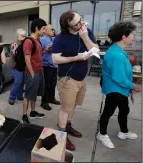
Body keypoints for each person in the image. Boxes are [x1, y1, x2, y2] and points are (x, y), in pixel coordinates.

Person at [51, 10, 99, 151]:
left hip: (81, 79)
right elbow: (55, 59)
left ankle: (68, 126)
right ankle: (61, 135)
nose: (82, 23)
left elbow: (95, 49)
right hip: (67, 79)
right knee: (66, 109)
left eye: (81, 19)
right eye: (77, 23)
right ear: (68, 26)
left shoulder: (86, 31)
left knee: (73, 106)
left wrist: (84, 37)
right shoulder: (60, 38)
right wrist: (77, 57)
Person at [98, 21, 141, 149]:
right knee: (108, 112)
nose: (133, 36)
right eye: (131, 34)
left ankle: (123, 132)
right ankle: (102, 134)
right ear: (123, 37)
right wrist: (133, 86)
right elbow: (119, 78)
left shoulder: (118, 50)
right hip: (114, 89)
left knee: (124, 109)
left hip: (121, 89)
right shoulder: (116, 54)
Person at [22, 18, 46, 123]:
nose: (44, 31)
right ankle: (24, 116)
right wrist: (32, 73)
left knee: (34, 93)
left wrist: (46, 51)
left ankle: (32, 112)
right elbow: (27, 59)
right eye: (43, 29)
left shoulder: (38, 41)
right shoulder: (28, 41)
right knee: (28, 94)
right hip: (32, 72)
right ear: (37, 28)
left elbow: (38, 55)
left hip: (39, 71)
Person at [40, 24, 60, 111]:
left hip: (54, 65)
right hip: (47, 66)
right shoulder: (44, 40)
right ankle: (44, 102)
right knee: (47, 85)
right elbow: (54, 49)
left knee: (53, 83)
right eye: (51, 29)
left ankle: (51, 98)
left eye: (53, 29)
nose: (53, 31)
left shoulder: (52, 39)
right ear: (46, 31)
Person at [8, 29, 27, 105]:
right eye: (22, 35)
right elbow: (16, 56)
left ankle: (19, 96)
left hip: (22, 65)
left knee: (22, 81)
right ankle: (12, 98)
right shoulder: (14, 44)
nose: (24, 37)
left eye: (25, 35)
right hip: (16, 66)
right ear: (17, 36)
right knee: (18, 82)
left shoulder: (23, 43)